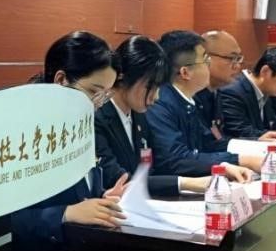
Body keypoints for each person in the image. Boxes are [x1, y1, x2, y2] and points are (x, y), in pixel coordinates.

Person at [0, 31, 130, 251]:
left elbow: (76, 195)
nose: (98, 105)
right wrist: (65, 214)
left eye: (105, 96)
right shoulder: (15, 136)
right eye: (94, 92)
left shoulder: (76, 127)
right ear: (61, 80)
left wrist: (101, 199)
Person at [97, 36, 249, 193]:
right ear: (123, 77)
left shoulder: (138, 114)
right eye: (151, 86)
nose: (156, 96)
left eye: (159, 87)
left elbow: (149, 170)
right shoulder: (98, 117)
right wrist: (186, 183)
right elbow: (119, 179)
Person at [145, 30, 264, 176]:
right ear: (185, 73)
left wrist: (252, 151)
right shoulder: (161, 103)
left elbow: (207, 143)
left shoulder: (188, 100)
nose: (209, 65)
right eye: (205, 60)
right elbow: (175, 159)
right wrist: (238, 160)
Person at [194, 29, 245, 135]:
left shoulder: (216, 92)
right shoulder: (190, 96)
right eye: (231, 58)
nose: (237, 66)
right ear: (205, 58)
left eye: (238, 58)